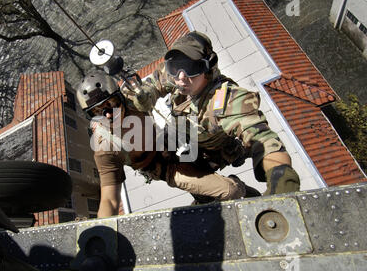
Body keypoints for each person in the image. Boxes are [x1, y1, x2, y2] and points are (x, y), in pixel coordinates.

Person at [124, 31, 300, 196]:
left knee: (202, 183)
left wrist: (283, 180)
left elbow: (263, 139)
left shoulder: (227, 100)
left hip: (210, 150)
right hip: (183, 132)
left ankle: (243, 192)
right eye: (176, 67)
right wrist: (145, 96)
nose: (181, 78)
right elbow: (156, 83)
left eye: (191, 67)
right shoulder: (177, 73)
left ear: (207, 68)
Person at [76, 72, 259, 217]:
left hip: (168, 139)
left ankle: (229, 155)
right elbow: (109, 200)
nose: (108, 114)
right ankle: (229, 191)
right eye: (97, 112)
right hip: (163, 167)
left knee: (210, 130)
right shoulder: (106, 149)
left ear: (120, 97)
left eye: (111, 103)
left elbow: (165, 80)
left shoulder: (133, 100)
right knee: (231, 191)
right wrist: (102, 234)